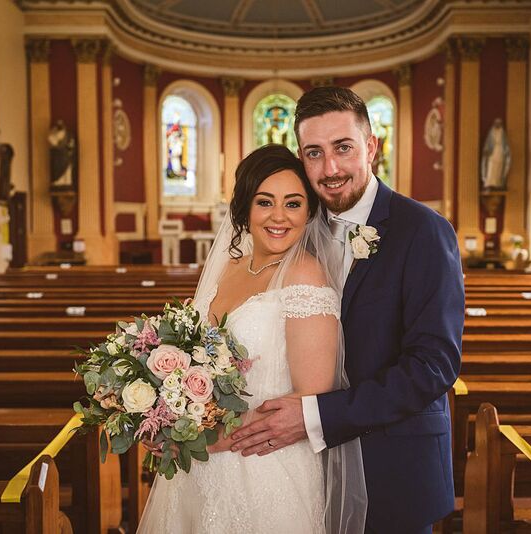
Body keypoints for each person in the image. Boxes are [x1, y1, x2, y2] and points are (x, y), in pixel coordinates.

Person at [230, 86, 465, 534]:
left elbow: (434, 366)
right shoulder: (293, 224)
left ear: (371, 146)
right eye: (313, 153)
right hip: (297, 469)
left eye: (343, 148)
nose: (329, 168)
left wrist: (316, 416)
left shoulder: (424, 231)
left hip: (393, 464)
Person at [138, 144, 367, 533]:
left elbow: (309, 397)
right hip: (197, 466)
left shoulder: (305, 277)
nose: (279, 217)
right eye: (265, 202)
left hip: (263, 466)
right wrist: (164, 421)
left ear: (310, 212)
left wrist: (205, 439)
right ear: (244, 208)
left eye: (293, 204)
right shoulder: (227, 266)